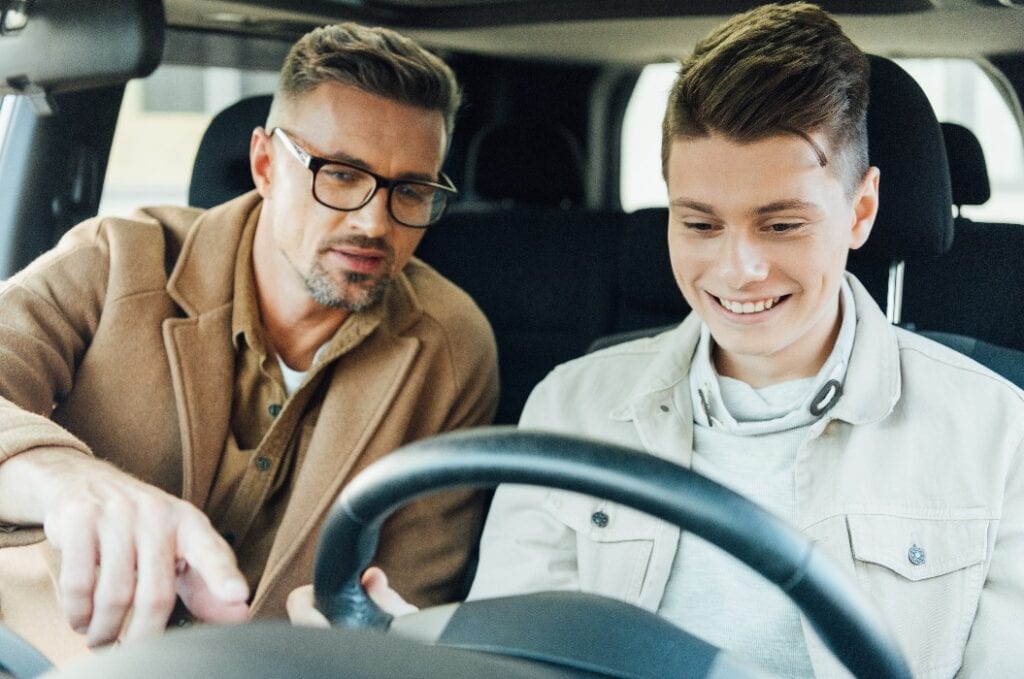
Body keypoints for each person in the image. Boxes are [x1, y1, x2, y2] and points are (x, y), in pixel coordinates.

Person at [293, 3, 1024, 676]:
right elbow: (516, 655)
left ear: (861, 209)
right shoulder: (573, 407)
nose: (738, 268)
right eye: (699, 223)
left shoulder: (997, 435)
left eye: (782, 223)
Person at [0, 22, 498, 662]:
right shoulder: (117, 260)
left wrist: (358, 640)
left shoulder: (451, 348)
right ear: (266, 164)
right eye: (342, 175)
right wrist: (69, 482)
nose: (375, 222)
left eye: (410, 191)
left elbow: (411, 598)